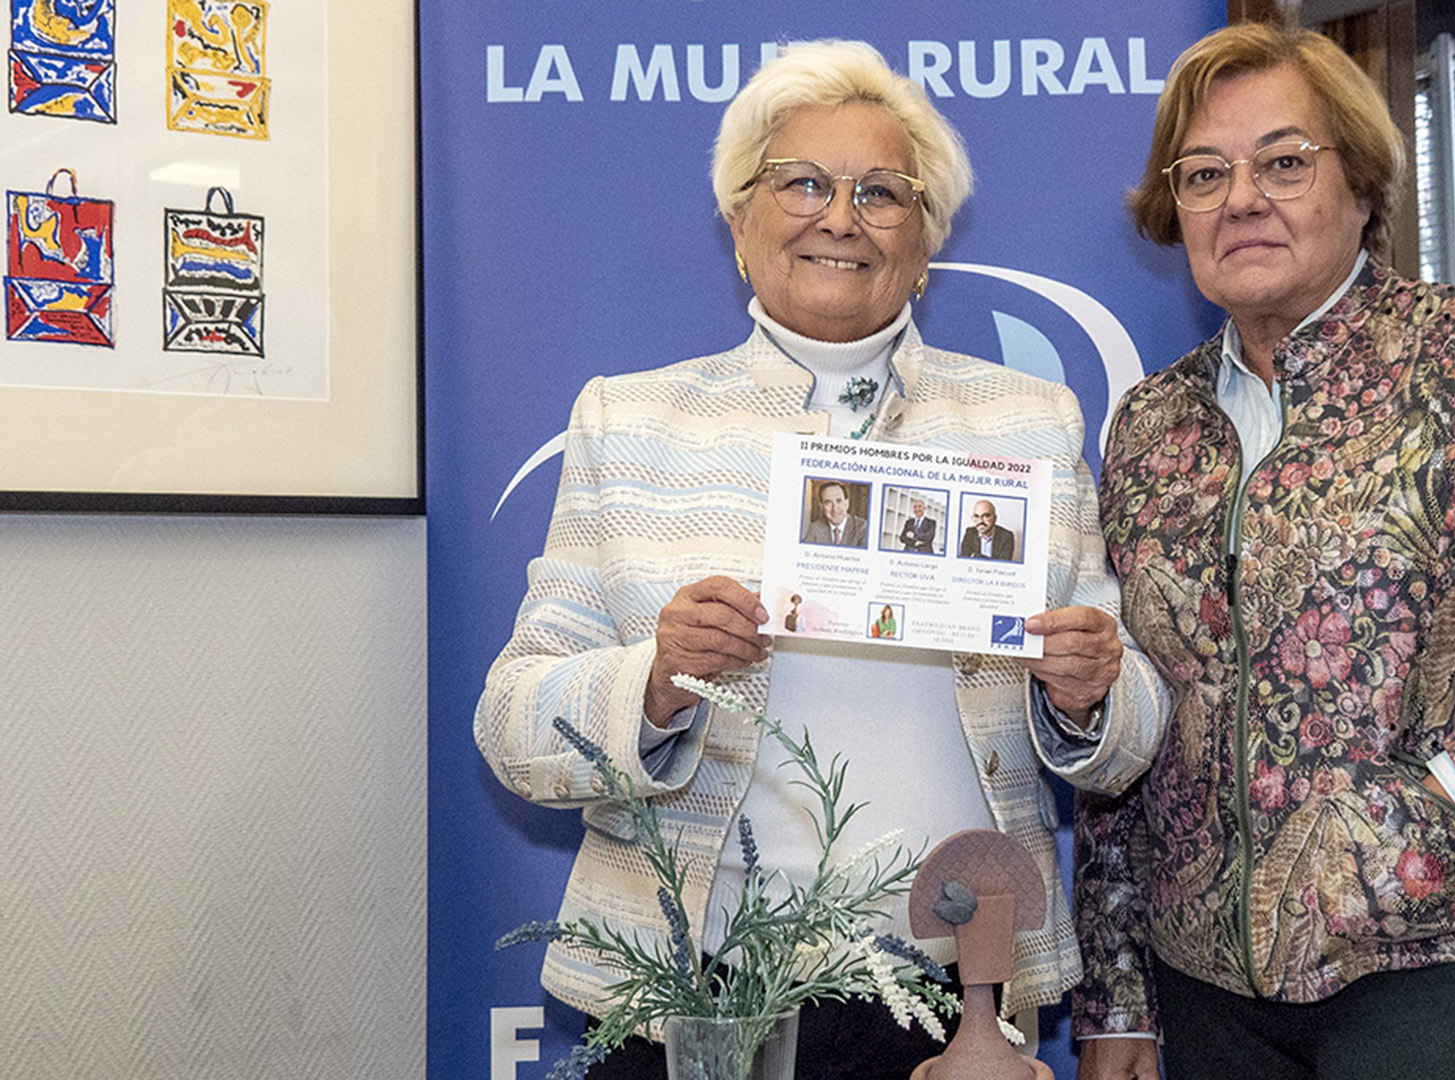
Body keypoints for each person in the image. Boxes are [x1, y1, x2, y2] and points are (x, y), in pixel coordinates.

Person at [473, 40, 1169, 1080]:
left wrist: (1090, 695)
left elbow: (1132, 731)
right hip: (692, 1000)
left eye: (882, 192)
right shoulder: (631, 419)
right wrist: (652, 681)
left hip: (957, 1000)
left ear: (927, 240)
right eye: (803, 182)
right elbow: (513, 723)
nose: (840, 216)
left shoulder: (1026, 420)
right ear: (740, 223)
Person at [1048, 23, 1455, 1080]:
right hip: (1206, 992)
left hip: (1450, 966)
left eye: (1283, 161)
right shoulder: (1150, 424)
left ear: (1362, 184)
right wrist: (1118, 996)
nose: (1241, 198)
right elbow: (1133, 718)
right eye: (1204, 173)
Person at [802, 480, 867, 547]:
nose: (834, 509)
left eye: (838, 501)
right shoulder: (815, 528)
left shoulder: (862, 527)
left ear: (847, 503)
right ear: (821, 506)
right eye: (828, 502)